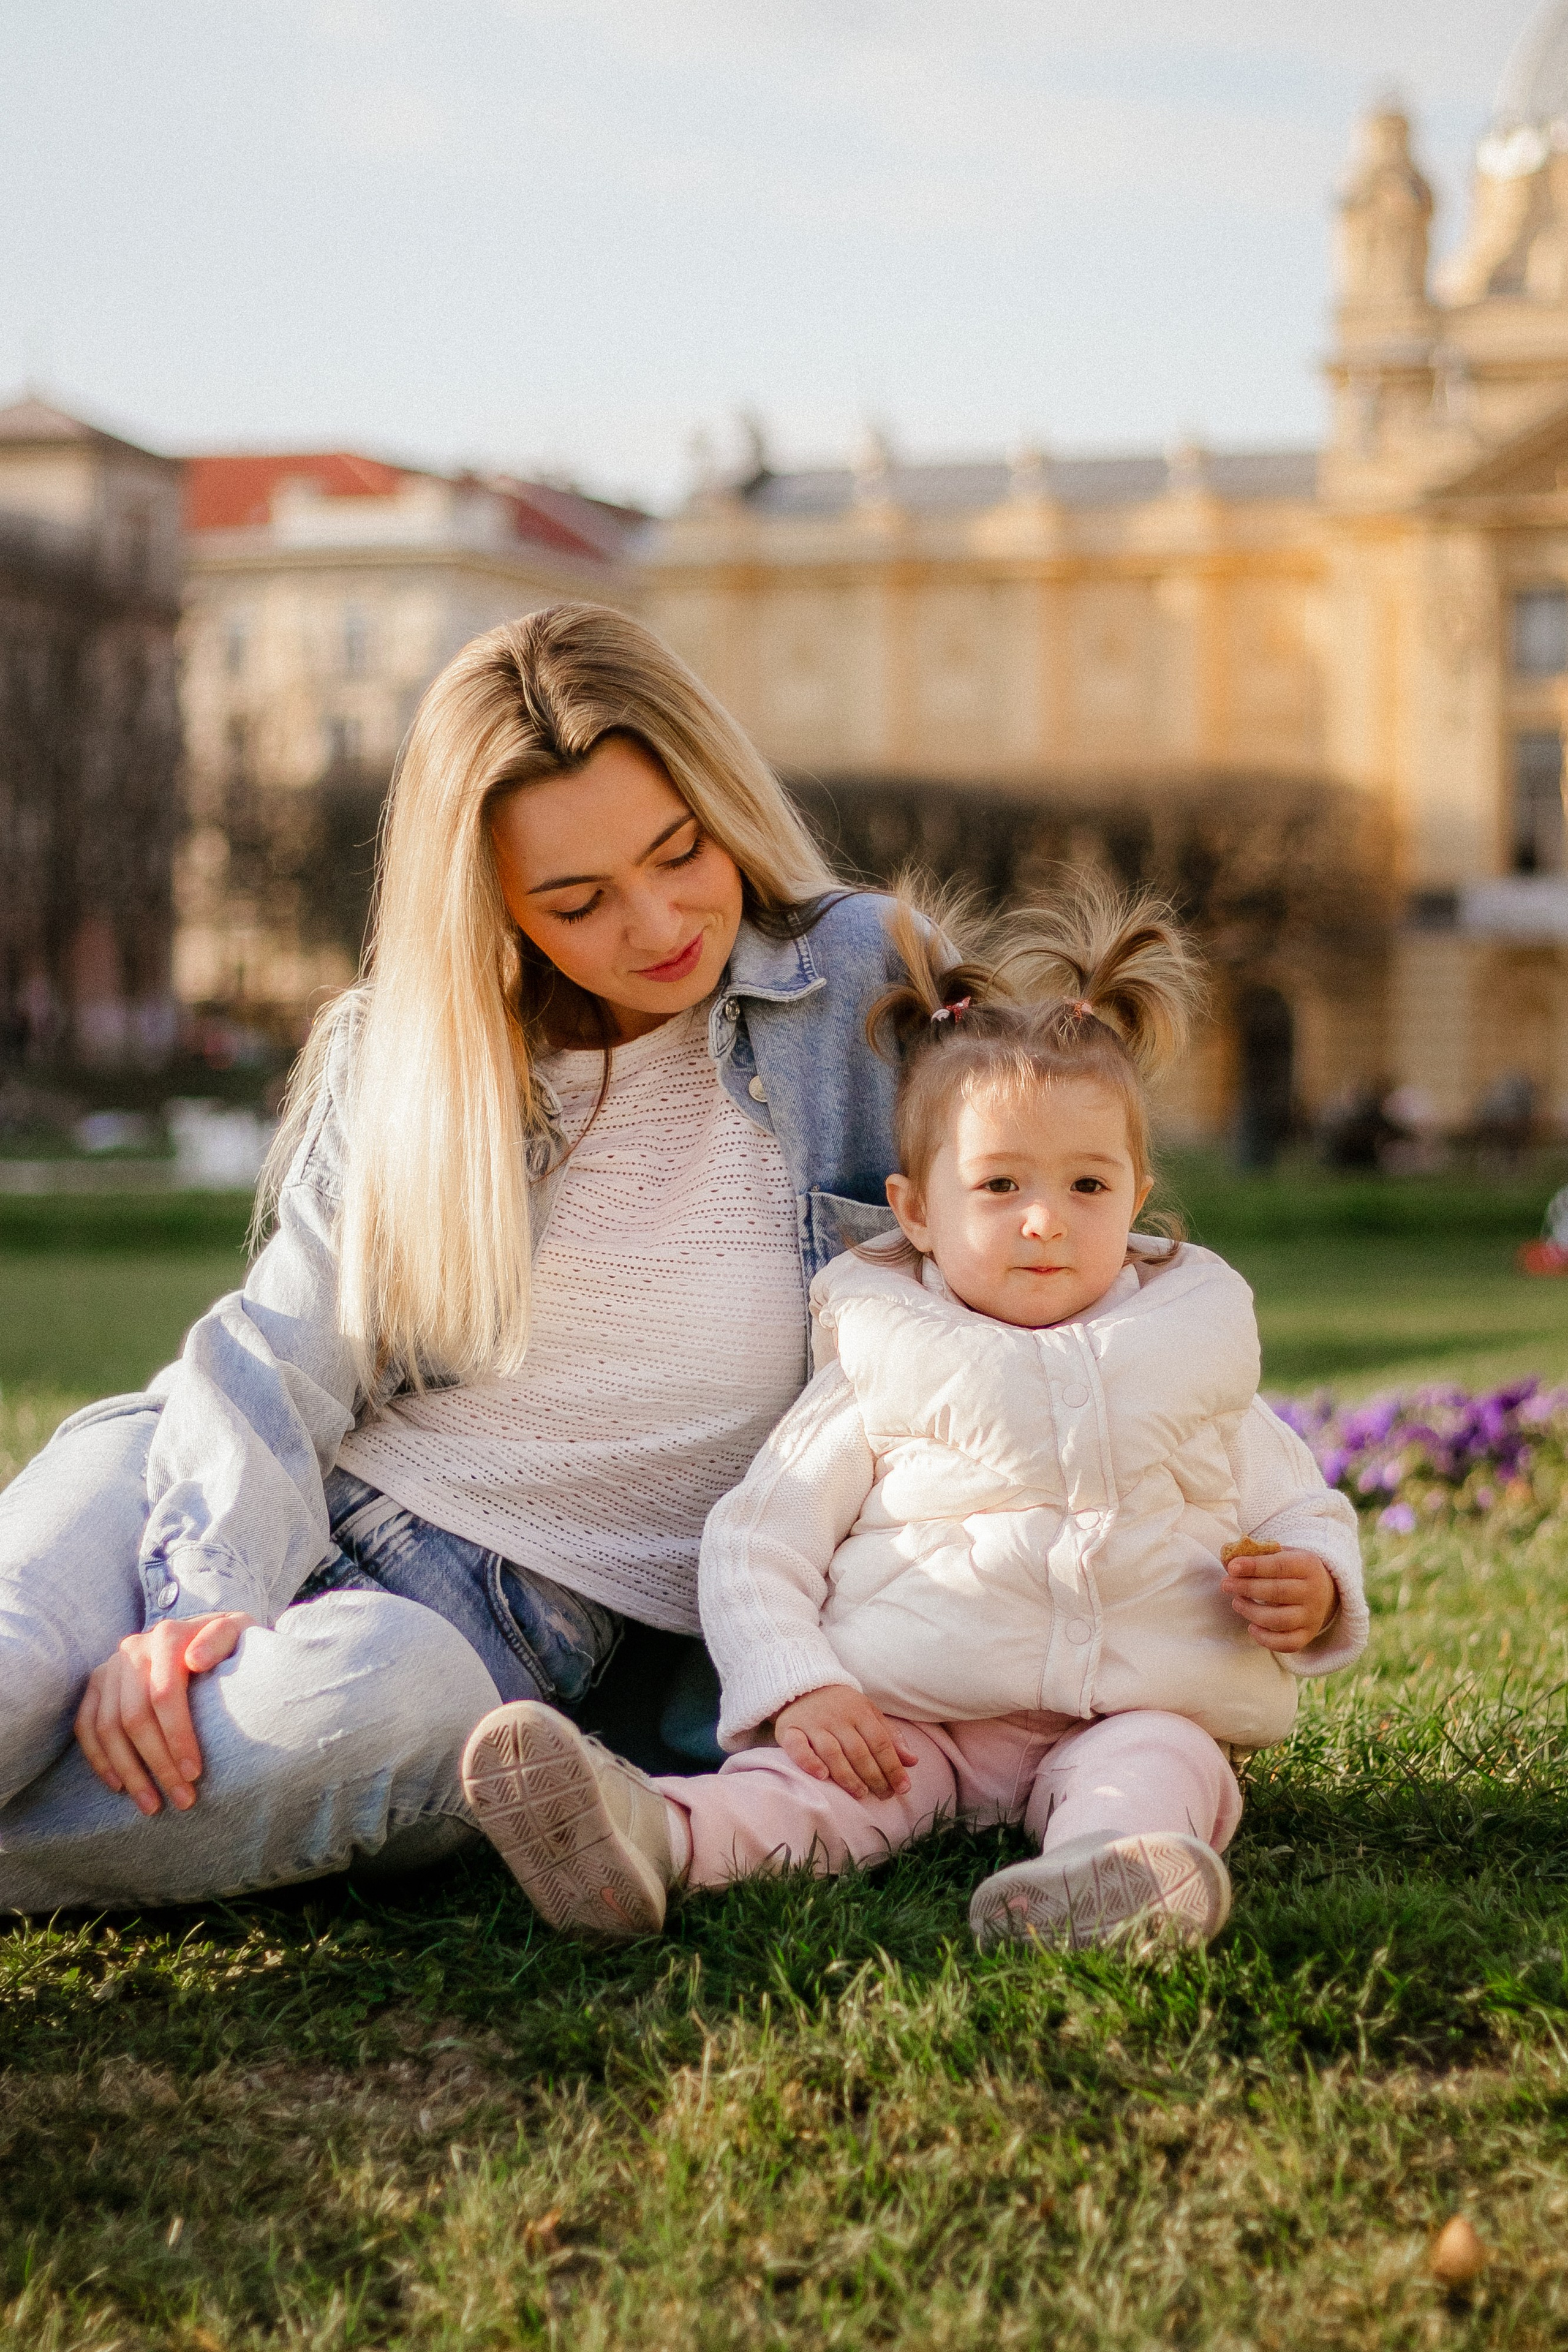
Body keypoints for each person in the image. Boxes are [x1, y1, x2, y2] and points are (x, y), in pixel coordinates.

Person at [0, 604, 912, 1912]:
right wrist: (192, 1608)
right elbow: (279, 1356)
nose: (656, 922)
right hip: (205, 1484)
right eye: (576, 900)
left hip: (463, 1645)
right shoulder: (420, 1046)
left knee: (379, 1699)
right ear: (492, 904)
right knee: (14, 1672)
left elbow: (1039, 1225)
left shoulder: (854, 982)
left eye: (677, 850)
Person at [459, 886, 1368, 1950]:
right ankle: (651, 1834)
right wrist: (798, 1687)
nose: (1045, 1218)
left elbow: (1300, 1503)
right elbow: (763, 1538)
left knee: (1162, 1766)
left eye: (1088, 1184)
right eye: (999, 1184)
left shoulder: (1189, 1353)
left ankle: (1106, 1873)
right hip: (912, 1713)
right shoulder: (882, 1356)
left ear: (1137, 1197)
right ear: (917, 1211)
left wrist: (1312, 1588)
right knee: (810, 1795)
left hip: (1134, 1701)